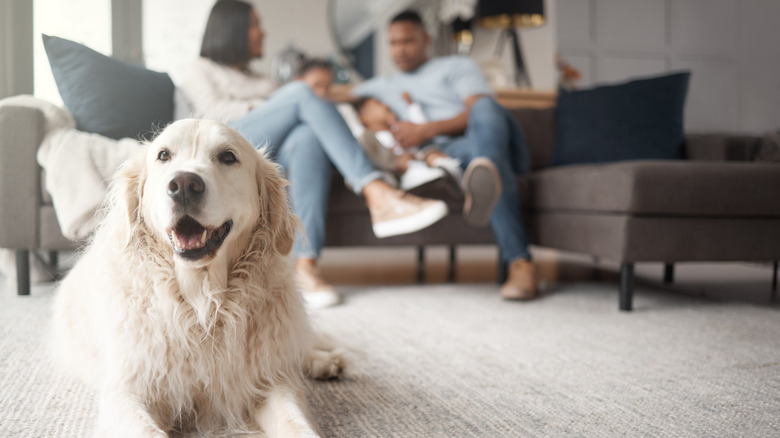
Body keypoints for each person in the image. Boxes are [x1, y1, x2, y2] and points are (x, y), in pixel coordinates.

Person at [179, 1, 449, 308]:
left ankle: (305, 264)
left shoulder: (258, 78)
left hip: (264, 152)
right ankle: (377, 191)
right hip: (226, 151)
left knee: (307, 137)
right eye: (255, 25)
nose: (262, 33)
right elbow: (212, 118)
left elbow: (293, 110)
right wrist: (276, 107)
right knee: (301, 95)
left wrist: (288, 104)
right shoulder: (200, 70)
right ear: (234, 29)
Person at [351, 10, 538, 300]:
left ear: (426, 39)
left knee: (486, 112)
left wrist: (424, 131)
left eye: (408, 41)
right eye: (393, 43)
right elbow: (330, 101)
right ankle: (520, 263)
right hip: (449, 156)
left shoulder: (457, 67)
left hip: (487, 141)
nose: (399, 50)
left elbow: (478, 108)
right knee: (487, 164)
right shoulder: (380, 87)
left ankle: (483, 172)